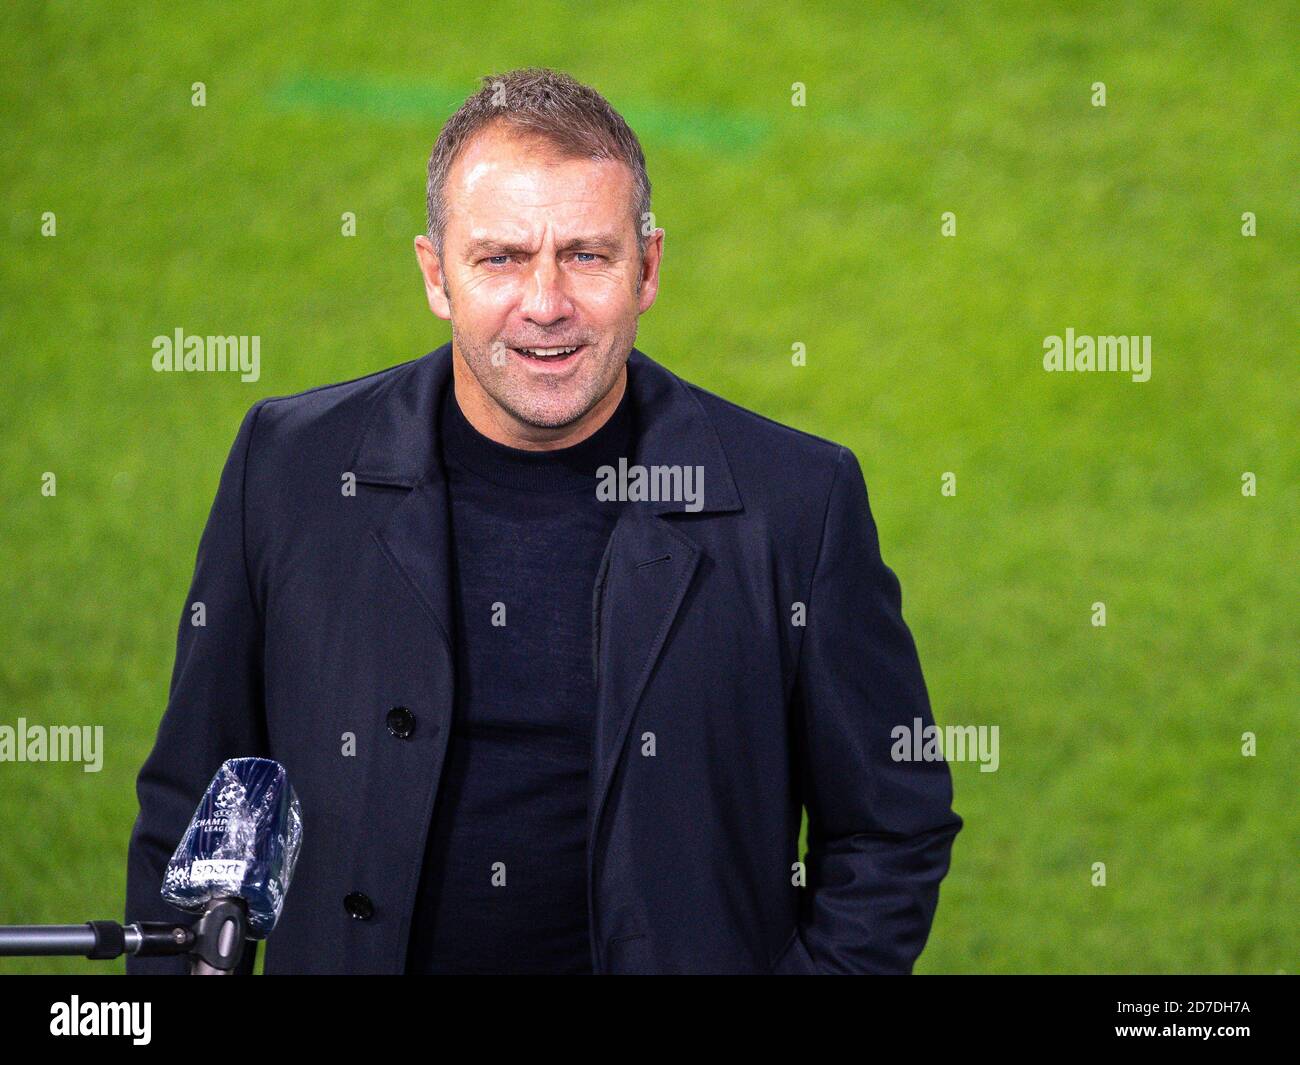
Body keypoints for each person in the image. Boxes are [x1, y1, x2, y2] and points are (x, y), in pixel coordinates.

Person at [126, 67, 961, 974]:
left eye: (588, 255)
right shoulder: (285, 467)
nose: (546, 302)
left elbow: (892, 825)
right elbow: (197, 804)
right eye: (501, 257)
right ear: (435, 274)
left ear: (648, 269)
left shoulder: (800, 500)